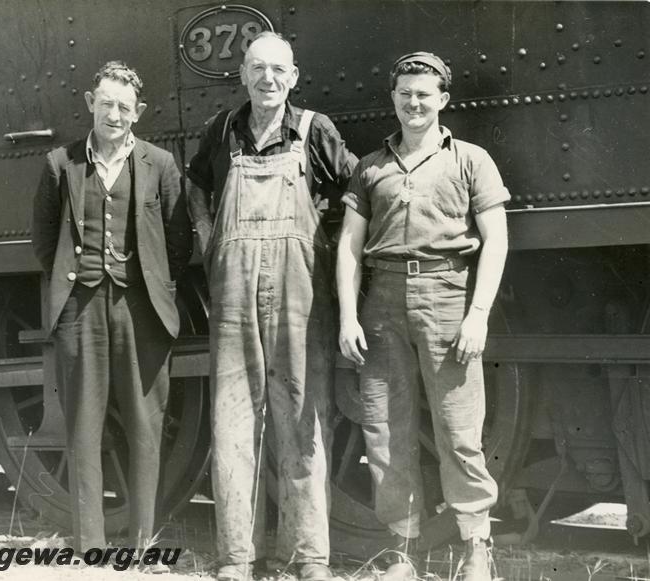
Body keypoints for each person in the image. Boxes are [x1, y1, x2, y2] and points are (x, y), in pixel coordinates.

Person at [187, 32, 357, 581]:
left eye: (278, 69)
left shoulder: (315, 131)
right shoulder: (223, 130)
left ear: (295, 75)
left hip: (299, 292)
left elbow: (357, 192)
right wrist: (209, 237)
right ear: (242, 74)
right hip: (233, 290)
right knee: (233, 420)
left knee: (302, 418)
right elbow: (195, 187)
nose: (268, 79)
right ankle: (236, 558)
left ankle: (307, 558)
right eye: (257, 68)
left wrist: (329, 244)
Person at [336, 52, 509, 581]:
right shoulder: (370, 167)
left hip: (448, 296)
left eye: (424, 94)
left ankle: (477, 547)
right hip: (382, 300)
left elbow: (497, 239)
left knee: (459, 429)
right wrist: (348, 316)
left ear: (443, 101)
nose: (415, 103)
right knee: (387, 432)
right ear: (393, 99)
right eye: (405, 94)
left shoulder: (471, 160)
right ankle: (402, 552)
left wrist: (478, 315)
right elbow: (348, 244)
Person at [32, 61, 192, 556]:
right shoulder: (61, 164)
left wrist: (145, 281)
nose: (114, 114)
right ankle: (89, 548)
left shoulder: (160, 164)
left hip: (141, 308)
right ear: (89, 104)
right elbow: (44, 242)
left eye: (124, 107)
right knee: (83, 426)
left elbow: (178, 242)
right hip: (80, 309)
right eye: (106, 104)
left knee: (146, 426)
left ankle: (145, 546)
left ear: (138, 112)